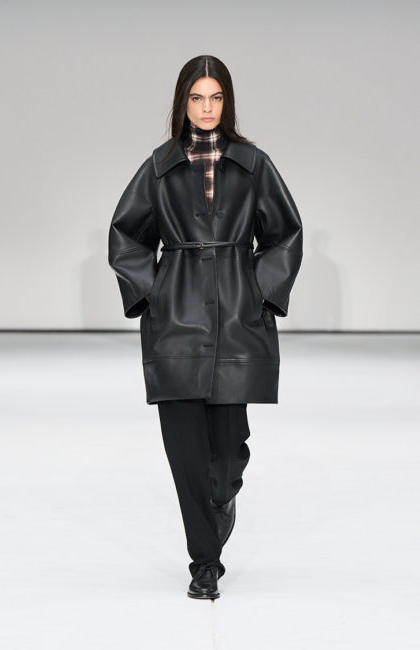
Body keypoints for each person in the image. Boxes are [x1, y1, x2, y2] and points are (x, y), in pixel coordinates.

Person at [108, 54, 303, 600]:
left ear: (227, 102)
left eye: (216, 97)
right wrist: (154, 292)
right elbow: (126, 234)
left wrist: (261, 291)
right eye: (197, 97)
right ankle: (205, 563)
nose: (207, 108)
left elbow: (286, 233)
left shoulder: (253, 164)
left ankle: (221, 499)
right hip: (176, 318)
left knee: (229, 448)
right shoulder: (159, 167)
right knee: (185, 451)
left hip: (237, 315)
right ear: (183, 103)